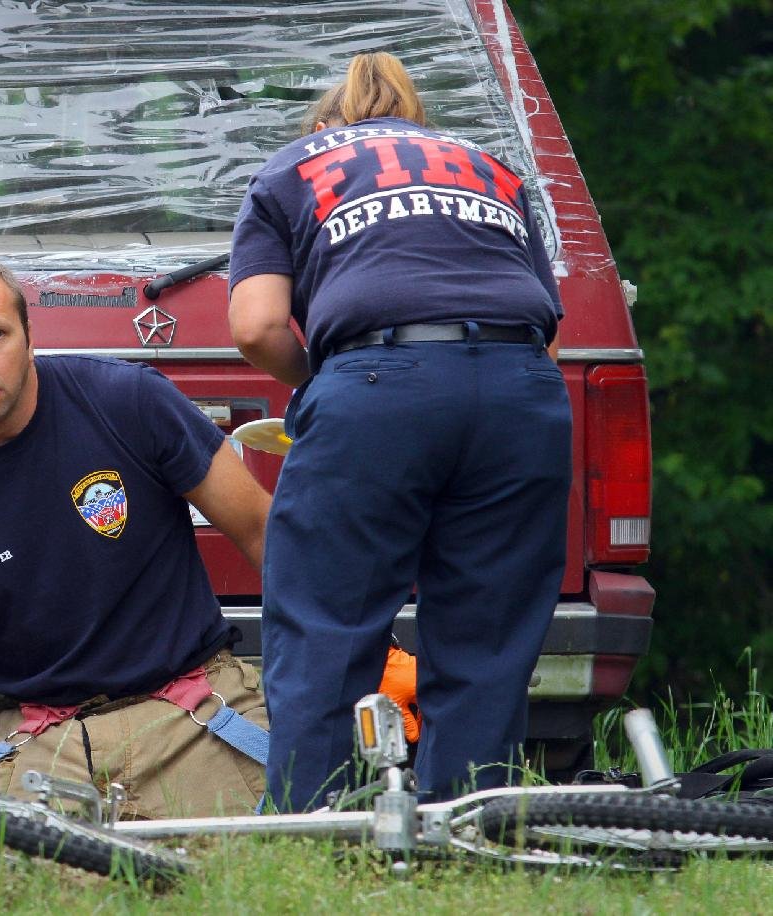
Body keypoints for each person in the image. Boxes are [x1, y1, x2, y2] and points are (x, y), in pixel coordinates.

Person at [228, 52, 572, 810]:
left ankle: (310, 832)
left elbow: (255, 326)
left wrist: (335, 388)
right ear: (418, 125)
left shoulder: (292, 167)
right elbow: (548, 335)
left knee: (327, 626)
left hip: (378, 379)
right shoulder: (489, 168)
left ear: (327, 127)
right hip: (523, 393)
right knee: (488, 637)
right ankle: (471, 828)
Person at [0, 253, 273, 818]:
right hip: (42, 738)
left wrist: (364, 649)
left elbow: (262, 529)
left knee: (247, 874)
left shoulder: (128, 402)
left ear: (29, 337)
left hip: (190, 711)